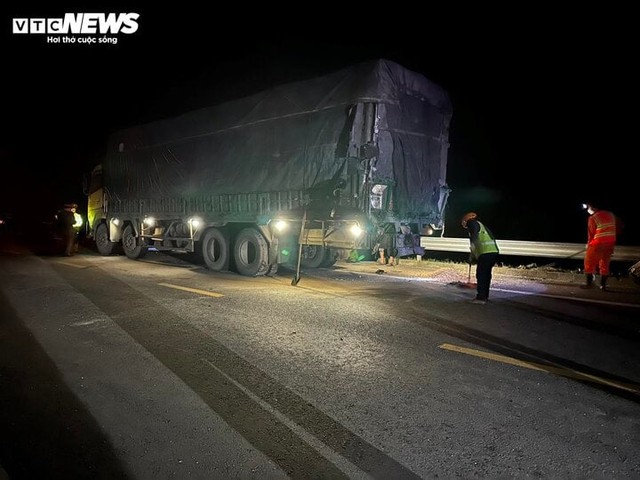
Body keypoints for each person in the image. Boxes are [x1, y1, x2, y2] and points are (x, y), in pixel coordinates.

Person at [580, 202, 623, 291]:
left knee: (589, 262)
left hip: (598, 244)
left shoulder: (593, 218)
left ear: (592, 207)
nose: (588, 210)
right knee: (605, 263)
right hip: (610, 243)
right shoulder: (611, 214)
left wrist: (588, 245)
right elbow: (619, 226)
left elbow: (591, 234)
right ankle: (603, 286)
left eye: (588, 208)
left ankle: (589, 284)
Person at [461, 212, 500, 304]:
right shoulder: (481, 225)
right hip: (492, 252)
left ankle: (481, 298)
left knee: (481, 275)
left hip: (485, 252)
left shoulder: (472, 223)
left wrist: (473, 253)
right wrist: (474, 254)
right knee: (486, 275)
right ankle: (484, 296)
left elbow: (475, 238)